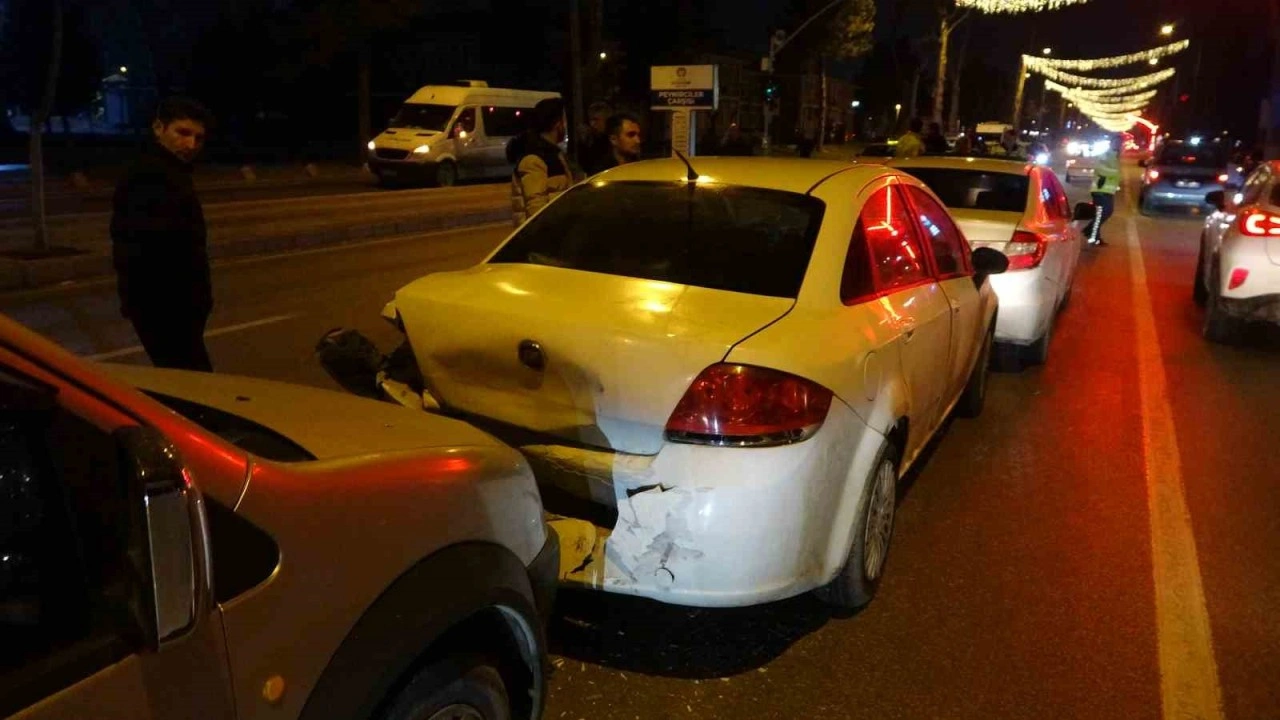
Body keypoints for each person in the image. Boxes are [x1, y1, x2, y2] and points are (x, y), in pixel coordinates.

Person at [111, 96, 215, 372]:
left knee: (186, 377)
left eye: (198, 138)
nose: (190, 145)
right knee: (193, 381)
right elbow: (141, 248)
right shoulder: (149, 174)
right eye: (183, 133)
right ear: (159, 128)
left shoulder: (172, 171)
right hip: (165, 306)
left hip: (175, 305)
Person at [506, 97, 579, 226]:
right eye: (564, 120)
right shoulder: (533, 159)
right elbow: (536, 212)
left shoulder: (555, 154)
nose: (566, 126)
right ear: (557, 124)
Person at [1084, 135, 1121, 246]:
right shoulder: (1106, 155)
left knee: (1105, 213)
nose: (1118, 145)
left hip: (1108, 191)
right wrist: (1114, 173)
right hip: (1100, 190)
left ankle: (1091, 232)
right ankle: (1093, 236)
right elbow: (1100, 169)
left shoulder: (1115, 156)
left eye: (1119, 143)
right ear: (1111, 143)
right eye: (1116, 142)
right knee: (1101, 214)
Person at [577, 101, 613, 176]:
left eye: (596, 120)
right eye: (590, 120)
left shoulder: (613, 141)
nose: (592, 124)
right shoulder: (592, 140)